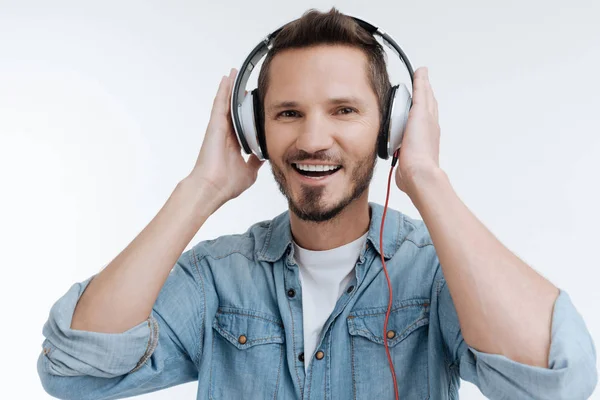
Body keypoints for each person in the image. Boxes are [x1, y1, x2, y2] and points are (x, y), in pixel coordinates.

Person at [37, 8, 597, 400]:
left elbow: (559, 379)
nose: (312, 139)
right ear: (256, 131)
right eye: (288, 113)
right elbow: (74, 368)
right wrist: (200, 189)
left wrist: (426, 177)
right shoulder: (215, 279)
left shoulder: (434, 272)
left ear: (391, 127)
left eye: (344, 110)